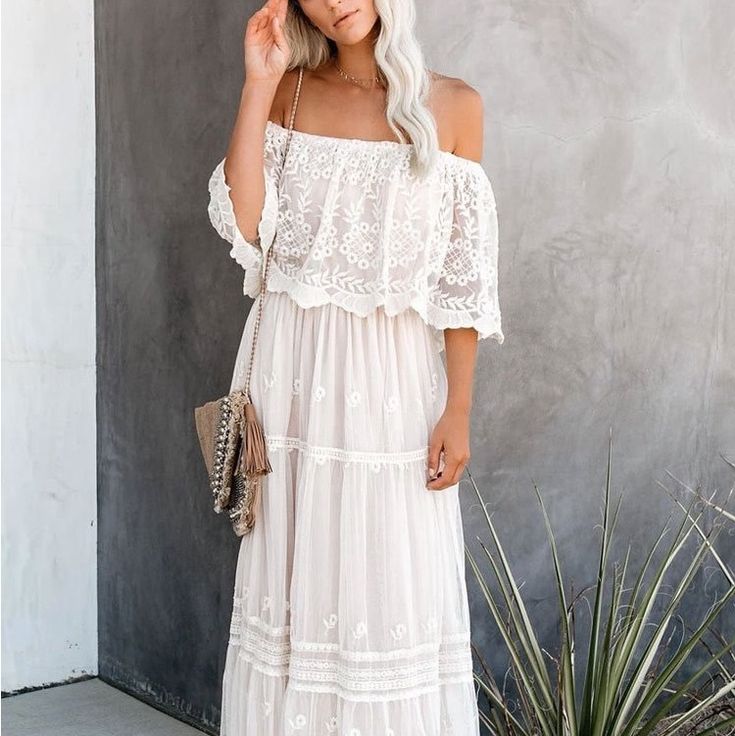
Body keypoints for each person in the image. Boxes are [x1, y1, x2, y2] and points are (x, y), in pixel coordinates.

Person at [206, 0, 504, 733]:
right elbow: (247, 226)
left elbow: (460, 286)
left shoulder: (455, 107)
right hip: (293, 379)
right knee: (296, 586)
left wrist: (458, 408)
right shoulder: (289, 90)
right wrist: (256, 82)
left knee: (389, 588)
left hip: (394, 386)